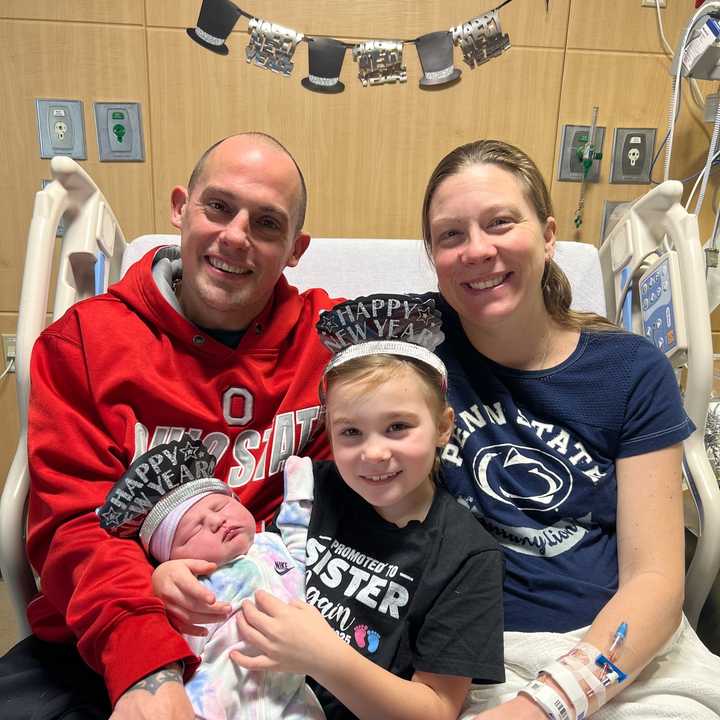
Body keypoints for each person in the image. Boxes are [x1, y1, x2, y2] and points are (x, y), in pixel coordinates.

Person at [0, 132, 337, 720]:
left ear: (294, 249)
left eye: (266, 223)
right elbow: (76, 527)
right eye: (218, 207)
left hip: (278, 631)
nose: (235, 236)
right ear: (181, 208)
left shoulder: (329, 344)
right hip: (120, 621)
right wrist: (147, 669)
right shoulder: (85, 346)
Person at [419, 139, 720, 719]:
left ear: (549, 235)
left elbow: (655, 579)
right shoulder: (412, 359)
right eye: (451, 235)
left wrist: (549, 703)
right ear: (432, 255)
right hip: (466, 658)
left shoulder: (629, 371)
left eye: (500, 222)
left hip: (617, 646)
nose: (477, 250)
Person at [224, 295, 506, 720]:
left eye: (397, 427)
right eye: (351, 432)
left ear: (443, 426)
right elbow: (243, 562)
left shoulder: (465, 556)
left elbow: (436, 709)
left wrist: (324, 658)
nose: (373, 453)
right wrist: (173, 576)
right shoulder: (309, 489)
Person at [97, 435, 325, 720]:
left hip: (291, 698)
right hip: (214, 704)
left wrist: (299, 487)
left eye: (219, 507)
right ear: (175, 556)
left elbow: (301, 541)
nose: (217, 521)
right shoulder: (195, 587)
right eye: (194, 530)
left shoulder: (273, 545)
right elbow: (174, 644)